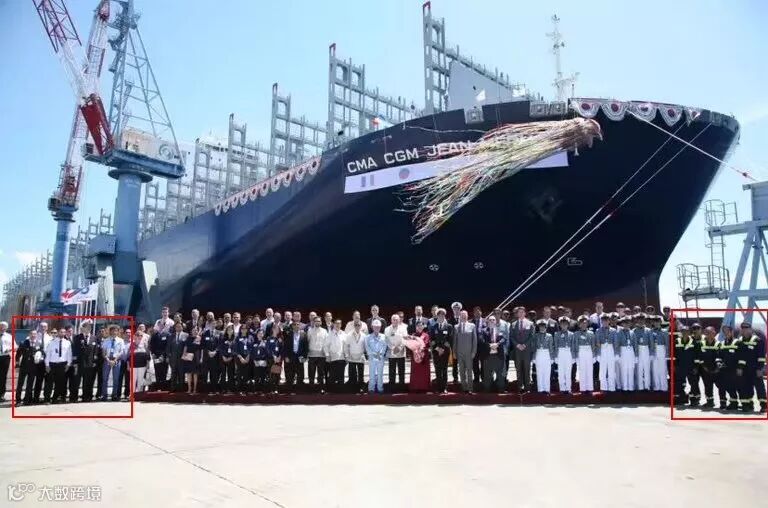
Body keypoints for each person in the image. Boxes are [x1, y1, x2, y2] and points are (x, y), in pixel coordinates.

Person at [736, 321, 766, 413]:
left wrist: (760, 368)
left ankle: (764, 406)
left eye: (746, 328)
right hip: (744, 370)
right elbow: (739, 356)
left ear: (751, 330)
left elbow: (761, 356)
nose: (745, 330)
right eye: (743, 329)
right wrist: (739, 368)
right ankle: (748, 405)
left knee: (759, 388)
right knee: (746, 387)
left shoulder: (758, 340)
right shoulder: (740, 341)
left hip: (755, 369)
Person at [717, 324, 743, 411]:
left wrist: (740, 367)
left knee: (738, 387)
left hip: (735, 369)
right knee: (729, 387)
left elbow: (742, 356)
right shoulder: (722, 343)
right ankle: (734, 403)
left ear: (732, 332)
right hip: (725, 370)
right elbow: (719, 356)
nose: (726, 333)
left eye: (728, 331)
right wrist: (719, 363)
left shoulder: (738, 342)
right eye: (724, 332)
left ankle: (746, 404)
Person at [697, 326, 723, 409]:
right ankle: (710, 402)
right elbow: (699, 356)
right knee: (708, 387)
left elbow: (721, 356)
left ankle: (723, 403)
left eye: (710, 333)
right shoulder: (701, 344)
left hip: (716, 370)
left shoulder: (719, 344)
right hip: (705, 370)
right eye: (707, 333)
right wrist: (704, 367)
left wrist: (718, 369)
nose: (708, 334)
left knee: (721, 386)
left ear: (714, 333)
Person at [478, 315, 507, 392]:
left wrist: (497, 344)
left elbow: (504, 339)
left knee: (500, 374)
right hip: (487, 356)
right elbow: (481, 340)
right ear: (487, 322)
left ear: (496, 321)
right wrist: (490, 345)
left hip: (498, 356)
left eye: (493, 320)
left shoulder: (500, 330)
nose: (492, 321)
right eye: (490, 320)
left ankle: (501, 389)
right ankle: (487, 390)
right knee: (487, 374)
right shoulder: (483, 331)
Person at [44, 328, 72, 403]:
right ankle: (47, 399)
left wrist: (68, 364)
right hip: (52, 364)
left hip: (62, 364)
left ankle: (55, 398)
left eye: (64, 332)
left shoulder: (67, 343)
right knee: (49, 383)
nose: (62, 333)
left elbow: (69, 354)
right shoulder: (51, 342)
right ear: (58, 333)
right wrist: (47, 365)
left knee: (60, 383)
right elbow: (48, 354)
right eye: (61, 332)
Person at [510, 307, 534, 393]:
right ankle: (519, 387)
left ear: (525, 313)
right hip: (517, 350)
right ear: (517, 314)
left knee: (527, 369)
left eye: (522, 312)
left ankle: (527, 388)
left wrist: (524, 345)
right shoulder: (513, 324)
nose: (520, 314)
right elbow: (511, 336)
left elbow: (532, 336)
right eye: (519, 312)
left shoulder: (530, 323)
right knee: (518, 369)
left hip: (526, 350)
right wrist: (517, 345)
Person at [15, 330, 42, 405]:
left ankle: (26, 400)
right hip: (24, 366)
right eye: (32, 334)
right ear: (29, 334)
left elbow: (42, 353)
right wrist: (17, 365)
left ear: (36, 335)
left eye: (35, 334)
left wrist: (40, 359)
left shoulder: (39, 343)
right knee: (20, 384)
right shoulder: (23, 342)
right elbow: (18, 355)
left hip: (33, 367)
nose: (33, 335)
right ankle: (18, 400)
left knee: (30, 385)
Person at [430, 308, 453, 393]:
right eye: (439, 315)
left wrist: (442, 349)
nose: (441, 316)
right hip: (436, 352)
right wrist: (437, 348)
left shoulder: (449, 326)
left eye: (443, 314)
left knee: (444, 370)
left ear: (445, 316)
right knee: (438, 370)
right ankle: (439, 388)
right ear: (437, 316)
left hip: (445, 351)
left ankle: (445, 388)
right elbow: (432, 340)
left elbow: (450, 339)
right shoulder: (433, 327)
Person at [454, 310, 477, 394]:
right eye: (462, 315)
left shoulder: (472, 326)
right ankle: (464, 388)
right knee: (461, 371)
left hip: (469, 352)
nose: (463, 316)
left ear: (467, 316)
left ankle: (470, 388)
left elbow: (474, 340)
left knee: (469, 371)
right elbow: (455, 341)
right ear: (459, 316)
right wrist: (454, 352)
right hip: (459, 353)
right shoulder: (456, 327)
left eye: (465, 315)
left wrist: (474, 351)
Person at [673, 326, 697, 406]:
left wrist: (695, 367)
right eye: (683, 331)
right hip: (680, 366)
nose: (685, 333)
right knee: (680, 383)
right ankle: (680, 399)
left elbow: (696, 355)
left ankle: (693, 400)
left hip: (691, 366)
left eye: (686, 331)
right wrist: (675, 365)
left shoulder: (693, 341)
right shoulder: (677, 341)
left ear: (689, 332)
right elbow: (674, 354)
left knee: (693, 384)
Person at [405, 321, 431, 392]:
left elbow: (426, 344)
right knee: (415, 372)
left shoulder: (426, 335)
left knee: (424, 373)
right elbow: (410, 344)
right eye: (418, 326)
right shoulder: (413, 335)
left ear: (423, 327)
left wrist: (421, 348)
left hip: (423, 356)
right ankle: (415, 387)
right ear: (416, 327)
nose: (419, 327)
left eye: (421, 325)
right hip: (415, 356)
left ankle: (424, 387)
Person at [384, 314, 408, 391]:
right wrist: (393, 347)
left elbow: (405, 339)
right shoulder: (387, 329)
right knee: (392, 371)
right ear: (391, 320)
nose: (395, 321)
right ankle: (392, 388)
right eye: (394, 319)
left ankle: (402, 388)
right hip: (391, 353)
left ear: (399, 320)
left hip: (401, 353)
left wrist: (399, 347)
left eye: (397, 319)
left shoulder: (403, 328)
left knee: (401, 371)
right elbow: (386, 340)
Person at [101, 325, 125, 401]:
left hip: (116, 360)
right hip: (107, 360)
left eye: (116, 331)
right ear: (110, 331)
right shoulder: (106, 340)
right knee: (105, 378)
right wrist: (108, 360)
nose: (114, 332)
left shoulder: (121, 340)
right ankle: (104, 395)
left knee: (116, 379)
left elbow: (121, 352)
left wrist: (115, 360)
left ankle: (114, 395)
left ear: (117, 332)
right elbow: (103, 352)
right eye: (112, 331)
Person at [573, 316, 596, 393]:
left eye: (585, 323)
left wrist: (594, 355)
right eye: (581, 323)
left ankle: (590, 388)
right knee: (582, 370)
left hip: (589, 351)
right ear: (579, 324)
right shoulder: (576, 334)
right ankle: (583, 388)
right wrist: (576, 356)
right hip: (581, 351)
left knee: (589, 370)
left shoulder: (591, 333)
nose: (583, 325)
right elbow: (575, 345)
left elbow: (593, 345)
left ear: (587, 324)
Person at [79, 323, 102, 402]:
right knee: (84, 381)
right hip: (82, 363)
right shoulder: (79, 337)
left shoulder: (94, 338)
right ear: (83, 328)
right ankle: (84, 396)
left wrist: (94, 361)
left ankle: (89, 395)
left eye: (89, 328)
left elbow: (96, 351)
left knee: (90, 380)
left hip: (91, 363)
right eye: (86, 327)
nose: (88, 329)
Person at [364, 320, 388, 394]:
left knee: (380, 374)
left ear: (380, 327)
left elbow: (385, 346)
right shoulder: (368, 337)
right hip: (372, 357)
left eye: (378, 327)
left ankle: (380, 388)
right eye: (375, 327)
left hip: (380, 357)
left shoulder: (384, 336)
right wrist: (373, 354)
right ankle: (371, 388)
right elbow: (367, 347)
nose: (377, 328)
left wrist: (381, 353)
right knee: (372, 374)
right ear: (372, 327)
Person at [595, 314, 617, 392]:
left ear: (609, 321)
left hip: (611, 349)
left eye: (606, 320)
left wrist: (616, 353)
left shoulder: (613, 330)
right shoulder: (598, 330)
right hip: (603, 349)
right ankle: (603, 387)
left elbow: (615, 343)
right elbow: (597, 343)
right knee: (602, 370)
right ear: (601, 321)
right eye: (603, 320)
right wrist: (598, 354)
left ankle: (612, 387)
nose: (605, 322)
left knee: (611, 369)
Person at [532, 319, 555, 394]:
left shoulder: (549, 336)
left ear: (546, 327)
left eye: (543, 326)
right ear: (539, 327)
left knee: (547, 372)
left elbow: (551, 347)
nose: (542, 328)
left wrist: (552, 358)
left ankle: (547, 389)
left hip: (546, 354)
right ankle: (540, 389)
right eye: (540, 326)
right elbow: (534, 347)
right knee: (539, 372)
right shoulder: (536, 335)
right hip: (539, 353)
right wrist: (533, 357)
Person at [284, 321, 308, 389]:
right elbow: (286, 346)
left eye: (298, 324)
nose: (296, 326)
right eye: (295, 325)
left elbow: (306, 347)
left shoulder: (304, 334)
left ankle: (299, 388)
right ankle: (290, 388)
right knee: (290, 374)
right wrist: (286, 356)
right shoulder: (288, 334)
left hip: (300, 357)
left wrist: (304, 356)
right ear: (292, 326)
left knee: (300, 373)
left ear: (300, 326)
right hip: (291, 356)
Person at [344, 320, 367, 393]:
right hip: (352, 357)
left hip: (360, 357)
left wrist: (365, 355)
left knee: (361, 374)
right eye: (356, 325)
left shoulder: (364, 335)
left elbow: (365, 346)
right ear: (354, 326)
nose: (357, 326)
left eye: (359, 325)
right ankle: (352, 389)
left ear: (361, 326)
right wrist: (347, 356)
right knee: (352, 375)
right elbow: (346, 346)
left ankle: (360, 388)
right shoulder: (349, 335)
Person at [632, 314, 653, 391]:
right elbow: (633, 343)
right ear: (637, 320)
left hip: (646, 349)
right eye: (639, 319)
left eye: (642, 319)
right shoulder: (634, 331)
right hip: (638, 349)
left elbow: (651, 342)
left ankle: (647, 386)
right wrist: (635, 354)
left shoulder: (648, 330)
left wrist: (651, 353)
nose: (641, 321)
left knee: (647, 368)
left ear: (644, 320)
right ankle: (640, 386)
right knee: (639, 369)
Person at [307, 316, 328, 392]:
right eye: (316, 321)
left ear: (321, 322)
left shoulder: (324, 331)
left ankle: (321, 388)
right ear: (313, 322)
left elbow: (326, 343)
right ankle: (311, 388)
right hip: (312, 355)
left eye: (319, 321)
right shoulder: (310, 330)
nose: (317, 322)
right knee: (311, 373)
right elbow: (308, 341)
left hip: (321, 355)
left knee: (321, 373)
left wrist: (326, 354)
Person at [325, 319, 347, 392]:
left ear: (341, 325)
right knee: (332, 376)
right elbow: (326, 346)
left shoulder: (344, 334)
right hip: (332, 358)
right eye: (336, 323)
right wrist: (327, 355)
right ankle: (332, 392)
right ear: (333, 324)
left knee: (341, 376)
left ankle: (340, 392)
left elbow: (346, 346)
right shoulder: (330, 334)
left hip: (341, 358)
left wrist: (346, 356)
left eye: (339, 323)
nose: (337, 325)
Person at [554, 316, 574, 393]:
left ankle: (568, 388)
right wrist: (556, 356)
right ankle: (562, 388)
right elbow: (555, 345)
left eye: (565, 324)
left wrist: (573, 356)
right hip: (560, 352)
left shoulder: (571, 334)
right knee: (561, 372)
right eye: (562, 324)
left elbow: (573, 346)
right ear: (560, 325)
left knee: (568, 371)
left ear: (568, 325)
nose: (564, 325)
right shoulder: (557, 334)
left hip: (568, 352)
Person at [616, 317, 636, 392]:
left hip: (630, 351)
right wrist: (618, 355)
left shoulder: (632, 332)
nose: (626, 324)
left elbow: (635, 344)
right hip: (623, 350)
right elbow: (617, 344)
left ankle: (630, 387)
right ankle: (624, 387)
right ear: (622, 324)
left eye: (628, 323)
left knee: (630, 369)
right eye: (624, 323)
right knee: (624, 369)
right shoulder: (619, 332)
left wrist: (636, 355)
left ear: (630, 324)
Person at [649, 315, 669, 392]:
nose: (656, 323)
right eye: (655, 321)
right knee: (655, 369)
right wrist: (651, 353)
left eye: (658, 321)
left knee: (663, 369)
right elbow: (650, 343)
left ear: (660, 322)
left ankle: (664, 387)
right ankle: (656, 386)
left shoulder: (664, 331)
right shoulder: (650, 331)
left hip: (661, 349)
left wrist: (667, 354)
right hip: (653, 350)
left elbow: (667, 343)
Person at [181, 328, 203, 394]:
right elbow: (185, 346)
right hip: (189, 357)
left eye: (196, 330)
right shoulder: (188, 338)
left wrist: (201, 358)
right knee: (189, 373)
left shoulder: (199, 338)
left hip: (196, 357)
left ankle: (195, 389)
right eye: (193, 330)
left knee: (195, 374)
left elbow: (201, 349)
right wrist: (184, 354)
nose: (195, 331)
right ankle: (189, 388)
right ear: (191, 332)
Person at [168, 322, 188, 392]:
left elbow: (187, 346)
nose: (178, 328)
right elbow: (168, 347)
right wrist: (169, 356)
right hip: (173, 358)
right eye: (177, 327)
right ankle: (173, 388)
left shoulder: (186, 335)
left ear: (182, 327)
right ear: (175, 328)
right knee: (173, 373)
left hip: (182, 358)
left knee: (181, 374)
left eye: (180, 326)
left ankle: (181, 389)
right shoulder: (171, 336)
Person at [201, 324, 220, 393]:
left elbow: (220, 344)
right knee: (205, 374)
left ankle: (214, 389)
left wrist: (215, 351)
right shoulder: (205, 333)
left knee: (214, 374)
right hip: (206, 356)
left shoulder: (219, 333)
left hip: (215, 357)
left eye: (214, 324)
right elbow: (202, 344)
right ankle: (204, 390)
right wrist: (208, 352)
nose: (212, 325)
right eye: (211, 324)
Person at [132, 326, 150, 393]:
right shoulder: (132, 344)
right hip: (134, 365)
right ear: (135, 336)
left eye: (141, 335)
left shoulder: (145, 344)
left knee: (140, 380)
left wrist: (147, 364)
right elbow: (129, 356)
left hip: (142, 365)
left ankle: (139, 393)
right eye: (138, 335)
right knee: (133, 380)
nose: (139, 336)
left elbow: (147, 355)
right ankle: (132, 393)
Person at [219, 325, 236, 393]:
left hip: (231, 358)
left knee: (230, 374)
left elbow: (235, 349)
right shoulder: (223, 338)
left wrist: (231, 357)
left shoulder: (235, 339)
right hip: (223, 358)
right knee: (223, 374)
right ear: (226, 331)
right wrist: (223, 356)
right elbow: (220, 348)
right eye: (228, 330)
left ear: (233, 331)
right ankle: (223, 388)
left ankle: (230, 388)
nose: (229, 331)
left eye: (231, 330)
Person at [266, 326, 283, 394]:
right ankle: (271, 389)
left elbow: (282, 348)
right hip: (271, 359)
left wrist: (279, 356)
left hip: (278, 359)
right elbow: (268, 348)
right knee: (271, 374)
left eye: (277, 329)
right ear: (272, 329)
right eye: (275, 329)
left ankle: (276, 388)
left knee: (277, 374)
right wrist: (274, 356)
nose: (276, 330)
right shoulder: (269, 338)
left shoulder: (280, 339)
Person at [235, 326, 251, 393]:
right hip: (239, 357)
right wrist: (241, 357)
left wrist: (248, 356)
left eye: (245, 329)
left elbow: (251, 347)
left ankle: (245, 389)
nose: (244, 330)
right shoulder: (237, 338)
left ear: (247, 330)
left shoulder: (250, 337)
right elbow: (236, 349)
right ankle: (238, 390)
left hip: (248, 357)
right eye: (242, 329)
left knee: (246, 374)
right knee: (239, 374)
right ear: (240, 330)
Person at [0, 321, 11, 401]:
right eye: (1, 326)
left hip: (5, 357)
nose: (2, 328)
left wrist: (9, 349)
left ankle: (1, 394)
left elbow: (15, 346)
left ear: (6, 328)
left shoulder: (9, 336)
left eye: (4, 326)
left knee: (3, 376)